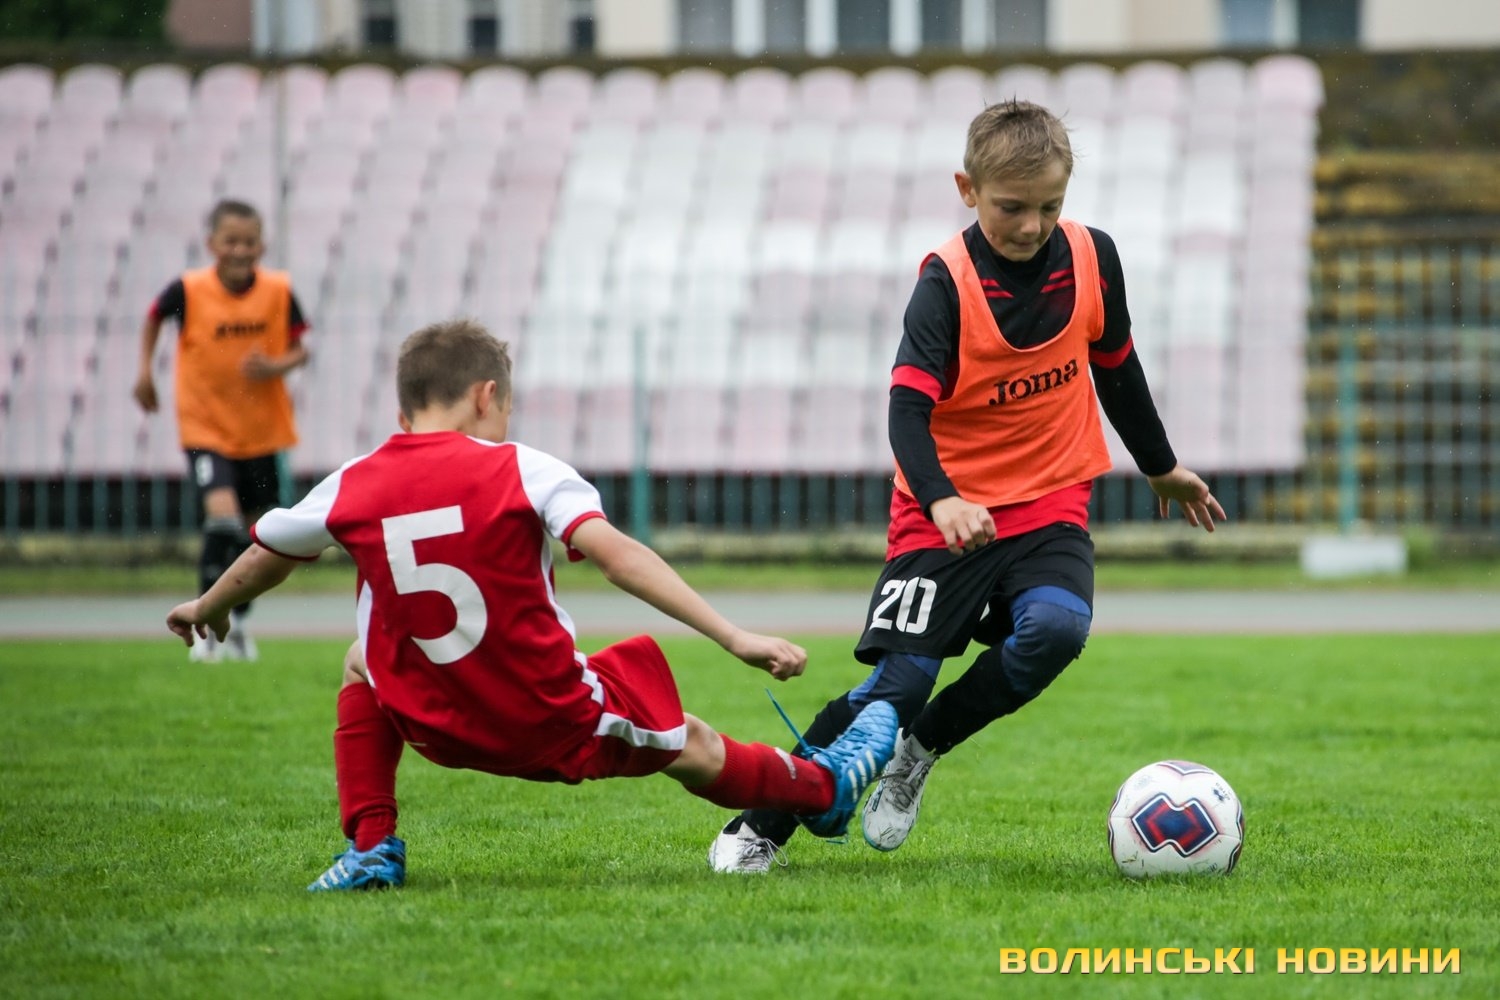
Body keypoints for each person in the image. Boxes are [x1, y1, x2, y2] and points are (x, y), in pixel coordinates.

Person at [164, 319, 899, 891]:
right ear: (487, 395)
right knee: (692, 743)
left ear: (404, 407)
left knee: (361, 662)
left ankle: (370, 845)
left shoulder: (353, 480)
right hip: (544, 716)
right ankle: (826, 790)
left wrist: (209, 606)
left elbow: (266, 554)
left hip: (433, 722)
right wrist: (733, 635)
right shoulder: (521, 468)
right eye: (505, 408)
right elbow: (618, 557)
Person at [708, 100, 1226, 874]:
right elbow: (905, 411)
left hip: (1050, 501)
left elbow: (1116, 364)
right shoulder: (944, 284)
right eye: (1011, 207)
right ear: (968, 189)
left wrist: (1159, 465)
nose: (1032, 225)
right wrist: (943, 498)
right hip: (942, 515)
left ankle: (920, 752)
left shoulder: (1094, 257)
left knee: (1056, 630)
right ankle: (762, 824)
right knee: (896, 689)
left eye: (1050, 205)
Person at [135, 198, 311, 663]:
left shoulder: (278, 290)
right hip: (206, 428)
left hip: (261, 433)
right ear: (212, 244)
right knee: (222, 520)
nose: (240, 250)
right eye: (231, 241)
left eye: (249, 242)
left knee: (256, 535)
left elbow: (301, 349)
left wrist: (275, 365)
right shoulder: (189, 289)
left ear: (261, 245)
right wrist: (145, 372)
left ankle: (237, 624)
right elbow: (153, 316)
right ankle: (202, 628)